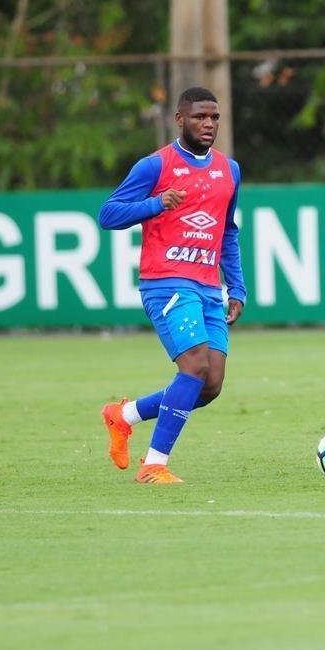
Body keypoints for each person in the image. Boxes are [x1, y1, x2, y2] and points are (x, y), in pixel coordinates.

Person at [97, 87, 246, 484]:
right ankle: (154, 464)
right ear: (180, 119)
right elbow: (108, 214)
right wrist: (155, 204)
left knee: (210, 385)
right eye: (200, 117)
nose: (209, 124)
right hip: (165, 282)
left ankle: (123, 415)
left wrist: (238, 288)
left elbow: (227, 233)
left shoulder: (229, 170)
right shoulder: (154, 166)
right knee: (194, 365)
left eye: (214, 117)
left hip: (209, 288)